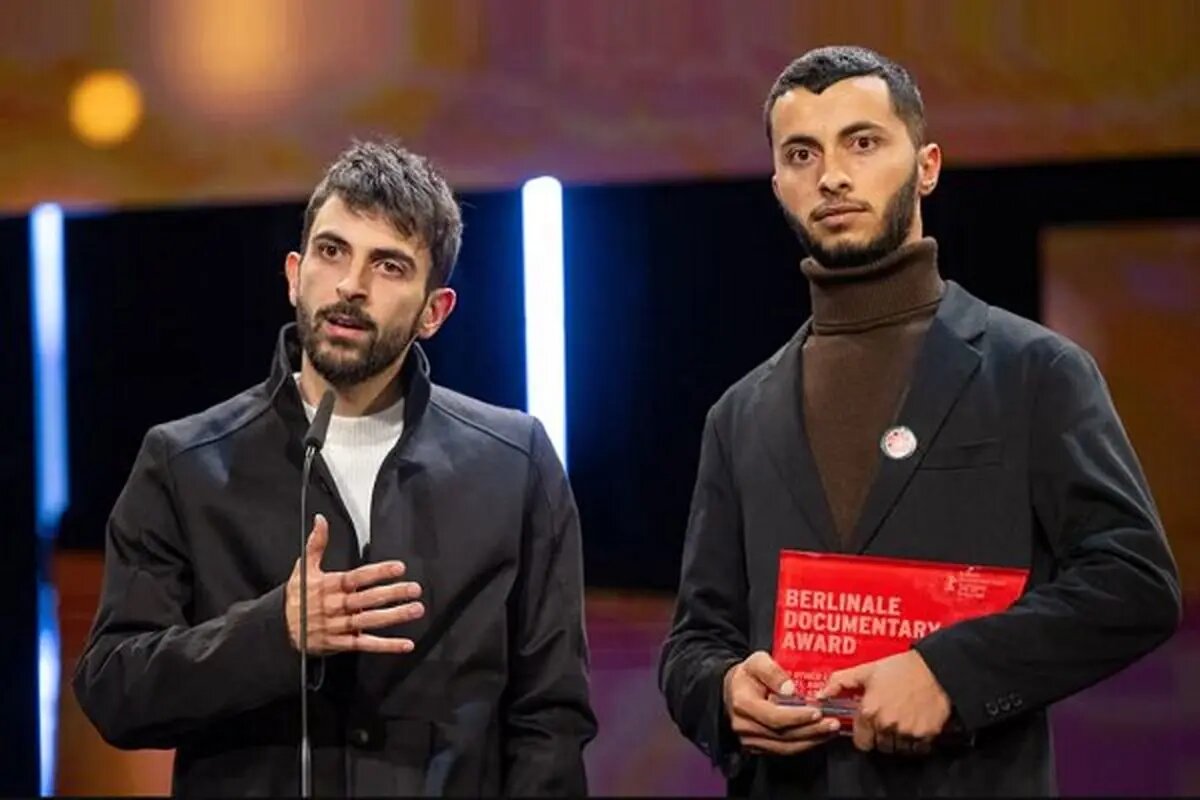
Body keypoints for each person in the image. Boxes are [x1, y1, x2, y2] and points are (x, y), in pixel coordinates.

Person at [658, 46, 1181, 796]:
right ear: (777, 184)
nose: (832, 175)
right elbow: (695, 640)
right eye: (802, 153)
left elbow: (1132, 583)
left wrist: (950, 674)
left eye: (862, 142)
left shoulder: (1035, 371)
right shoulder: (739, 414)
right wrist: (721, 692)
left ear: (927, 165)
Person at [73, 139, 596, 796]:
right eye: (332, 251)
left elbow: (550, 717)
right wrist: (274, 632)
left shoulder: (515, 464)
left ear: (435, 311)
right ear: (294, 274)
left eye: (389, 265)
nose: (351, 285)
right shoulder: (184, 463)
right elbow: (114, 690)